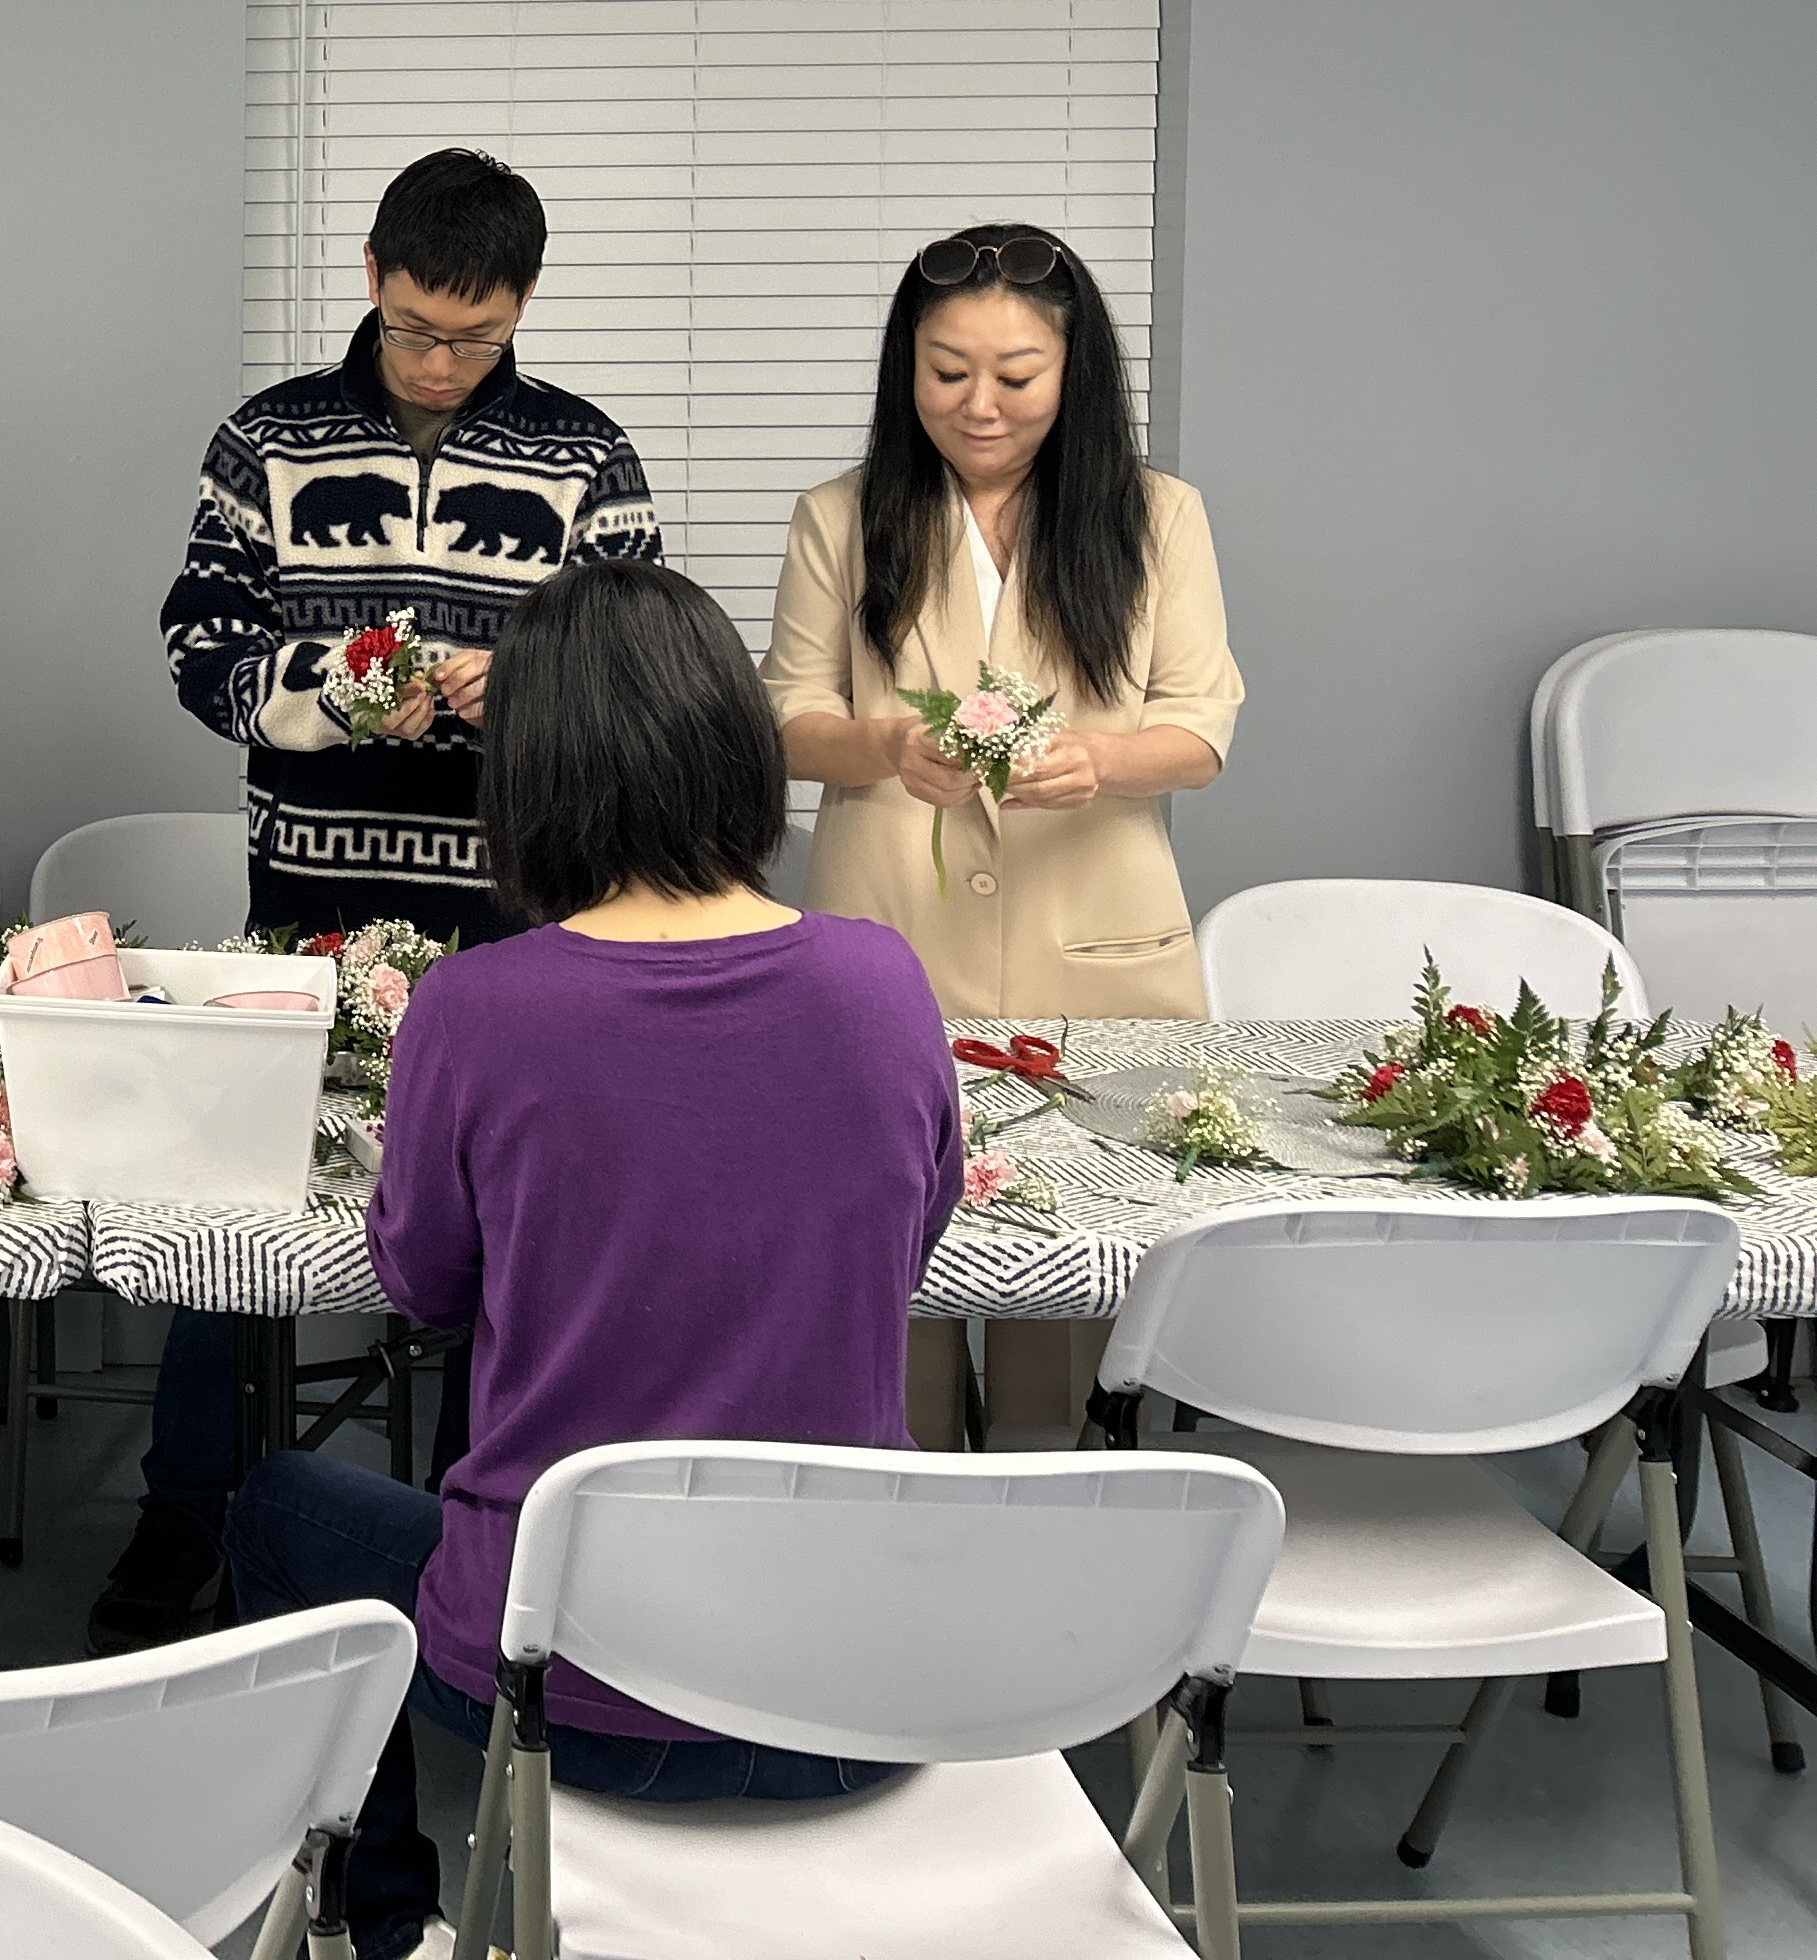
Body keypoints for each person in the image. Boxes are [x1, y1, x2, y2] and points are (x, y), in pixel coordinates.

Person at [218, 558, 963, 1960]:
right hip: (867, 1690)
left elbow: (424, 1287)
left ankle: (388, 1923)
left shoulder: (474, 1009)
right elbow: (906, 1244)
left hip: (575, 1690)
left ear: (531, 777)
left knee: (275, 1507)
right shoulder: (885, 981)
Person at [110, 148, 658, 1649]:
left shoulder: (587, 457)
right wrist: (341, 692)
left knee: (512, 1237)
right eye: (416, 326)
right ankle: (185, 1514)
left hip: (518, 918)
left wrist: (517, 686)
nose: (436, 362)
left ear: (522, 304)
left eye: (474, 338)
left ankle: (486, 1529)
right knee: (237, 1216)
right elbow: (201, 652)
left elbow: (630, 675)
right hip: (306, 909)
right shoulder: (269, 439)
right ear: (370, 274)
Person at [761, 223, 1241, 1443]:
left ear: (1075, 373)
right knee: (893, 1276)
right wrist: (886, 747)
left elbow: (1200, 729)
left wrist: (1100, 761)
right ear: (906, 369)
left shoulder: (1160, 517)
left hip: (1095, 953)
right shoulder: (840, 517)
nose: (979, 406)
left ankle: (1049, 1519)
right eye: (947, 372)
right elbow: (787, 720)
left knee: (1071, 1304)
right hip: (888, 946)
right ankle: (906, 1511)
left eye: (1017, 376)